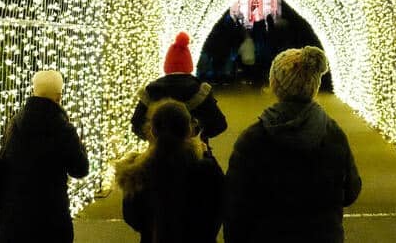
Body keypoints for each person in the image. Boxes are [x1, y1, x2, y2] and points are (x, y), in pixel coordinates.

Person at [224, 47, 361, 243]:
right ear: (314, 86)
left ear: (276, 84)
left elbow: (235, 207)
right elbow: (351, 191)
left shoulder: (253, 139)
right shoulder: (333, 134)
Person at [0, 70, 89, 242]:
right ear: (59, 97)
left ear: (34, 91)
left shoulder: (14, 123)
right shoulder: (63, 128)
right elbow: (80, 169)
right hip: (50, 218)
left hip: (13, 218)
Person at [115, 100, 225, 242]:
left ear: (153, 131)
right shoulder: (207, 170)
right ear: (189, 130)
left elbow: (133, 218)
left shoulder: (136, 174)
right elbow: (218, 209)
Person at [131, 32, 228, 148]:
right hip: (193, 155)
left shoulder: (151, 90)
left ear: (167, 64)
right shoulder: (200, 90)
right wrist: (200, 136)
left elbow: (136, 125)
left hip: (158, 155)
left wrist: (155, 140)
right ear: (189, 63)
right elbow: (220, 125)